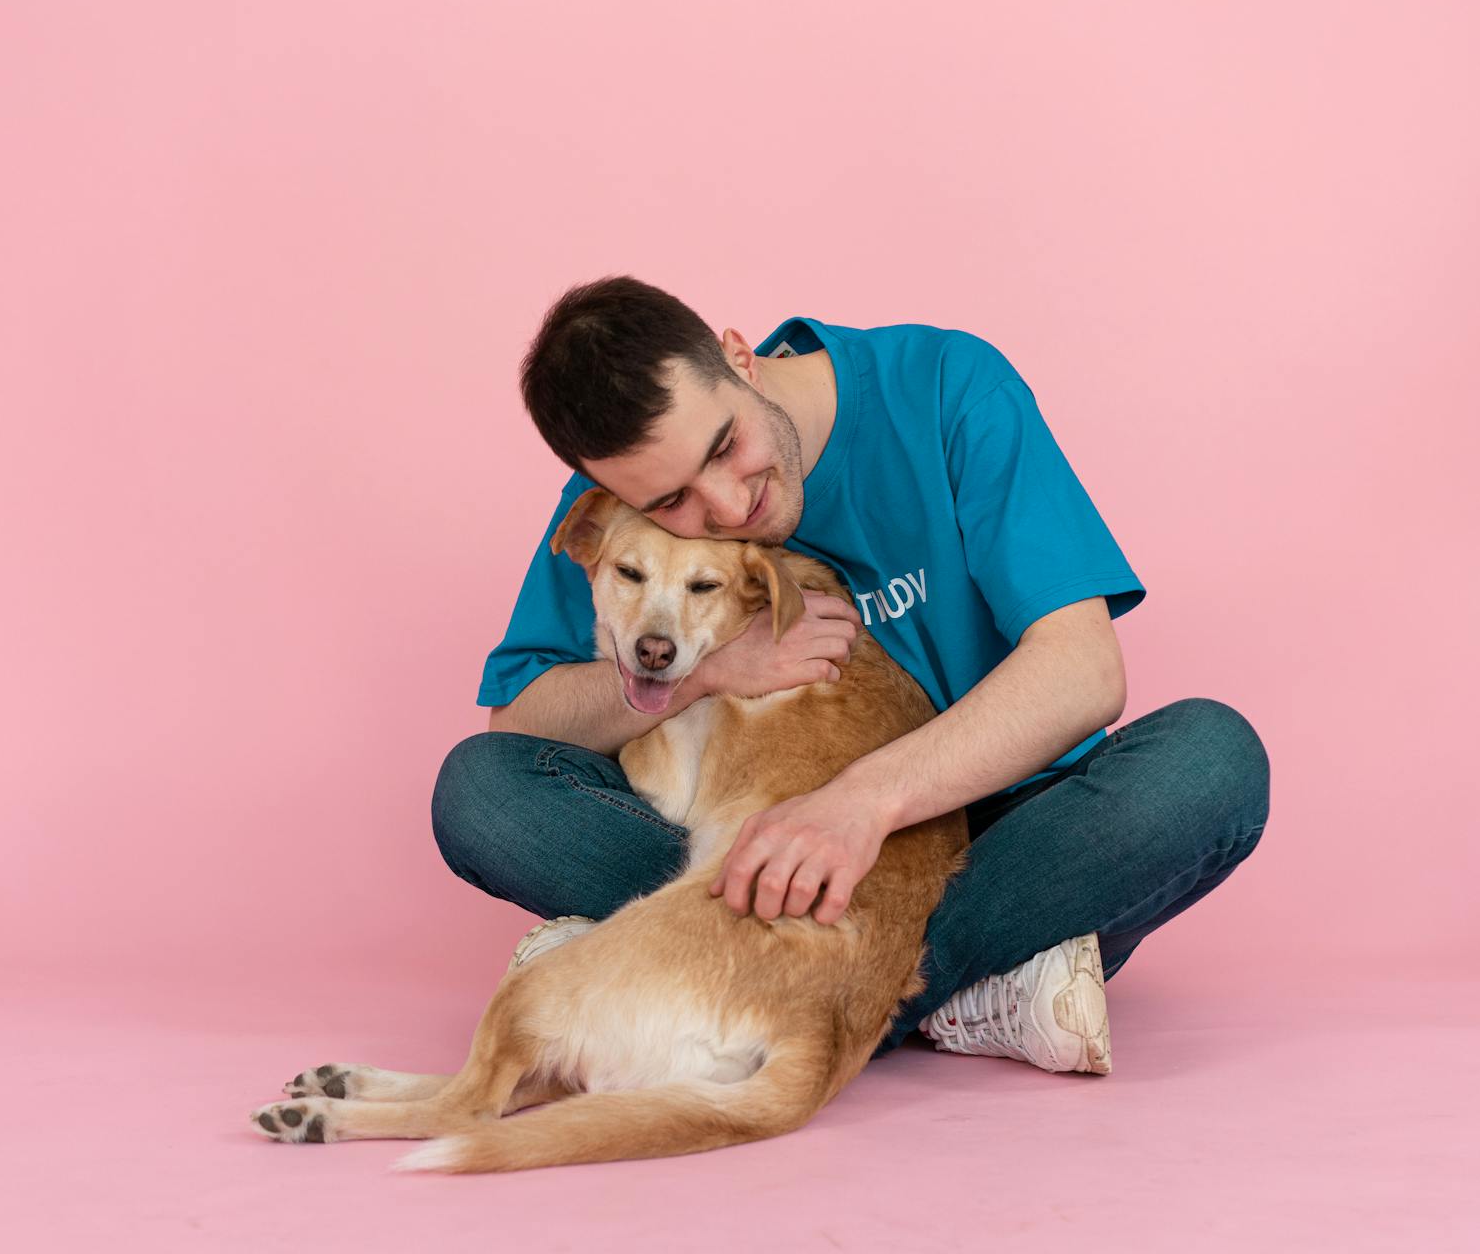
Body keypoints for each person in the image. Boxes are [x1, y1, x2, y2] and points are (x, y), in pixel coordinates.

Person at [432, 275, 1270, 1073]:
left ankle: (712, 983)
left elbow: (1084, 669)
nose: (726, 508)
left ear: (736, 356)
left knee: (1209, 761)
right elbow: (522, 725)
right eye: (672, 504)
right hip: (750, 845)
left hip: (1006, 840)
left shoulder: (946, 385)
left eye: (727, 446)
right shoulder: (624, 490)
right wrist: (710, 671)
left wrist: (860, 804)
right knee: (481, 790)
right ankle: (978, 991)